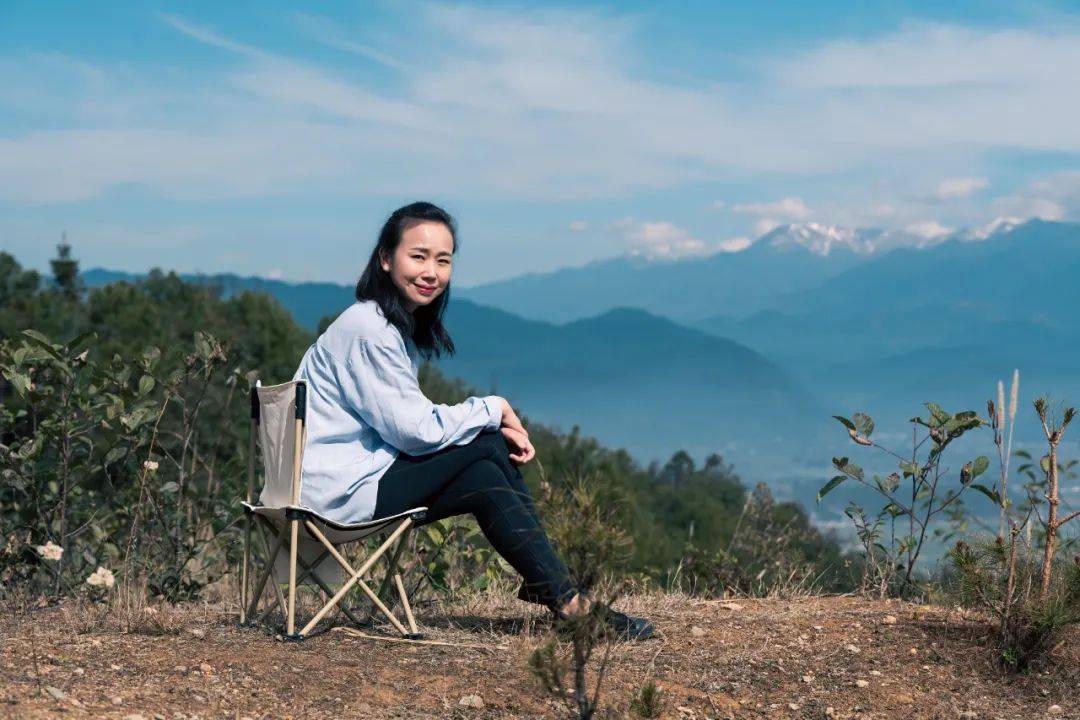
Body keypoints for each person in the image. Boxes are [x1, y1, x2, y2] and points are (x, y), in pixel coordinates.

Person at [292, 201, 654, 640]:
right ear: (386, 259)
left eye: (443, 261)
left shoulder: (381, 325)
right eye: (418, 256)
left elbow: (410, 427)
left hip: (340, 484)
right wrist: (494, 407)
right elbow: (415, 433)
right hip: (338, 496)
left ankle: (563, 597)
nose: (431, 272)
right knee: (487, 444)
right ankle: (567, 600)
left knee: (484, 475)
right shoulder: (369, 330)